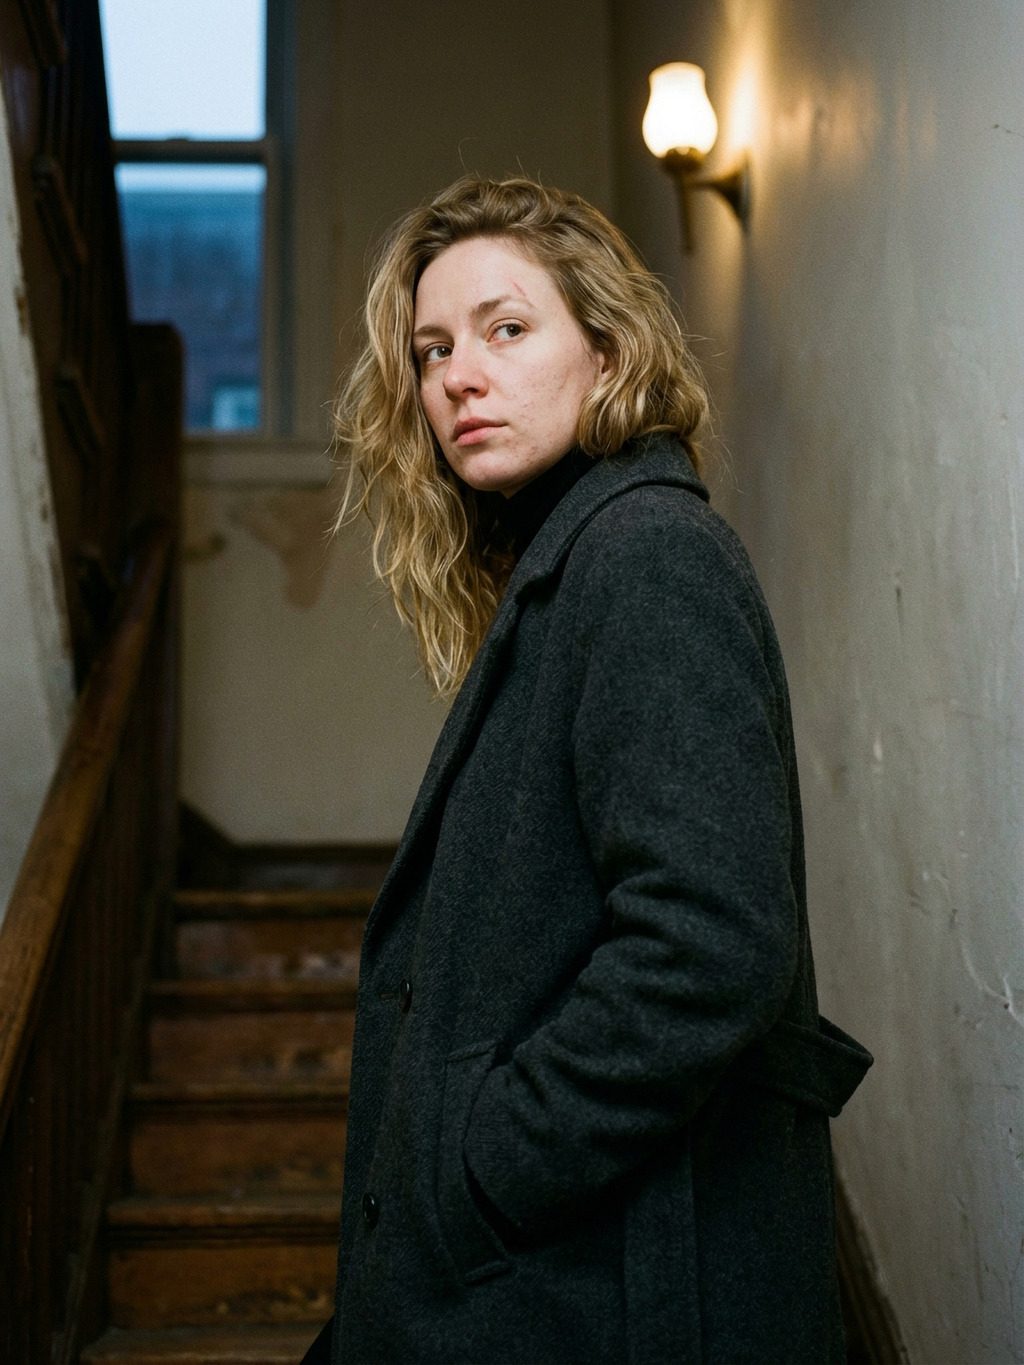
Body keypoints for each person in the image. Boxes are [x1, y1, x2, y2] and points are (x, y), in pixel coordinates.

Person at [307, 176, 872, 1365]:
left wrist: (487, 1168)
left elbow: (707, 941)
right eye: (431, 349)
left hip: (599, 1290)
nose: (457, 374)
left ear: (609, 357)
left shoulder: (647, 554)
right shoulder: (566, 571)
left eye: (507, 329)